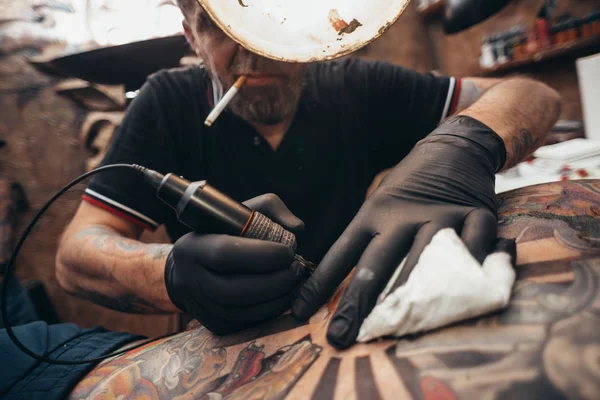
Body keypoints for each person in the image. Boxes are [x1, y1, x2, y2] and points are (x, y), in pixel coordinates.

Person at [0, 1, 563, 397]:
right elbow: (76, 254)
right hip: (226, 351)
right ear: (190, 33)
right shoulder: (165, 103)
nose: (252, 57)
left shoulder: (354, 85)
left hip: (355, 321)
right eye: (221, 32)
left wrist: (468, 142)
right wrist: (166, 272)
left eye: (265, 29)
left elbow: (533, 92)